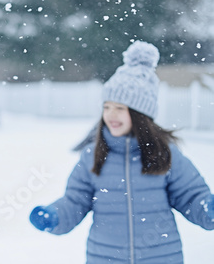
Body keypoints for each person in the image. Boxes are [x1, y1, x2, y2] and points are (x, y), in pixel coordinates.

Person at [29, 41, 214, 263]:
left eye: (120, 108)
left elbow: (191, 196)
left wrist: (208, 208)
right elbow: (76, 200)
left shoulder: (165, 154)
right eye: (107, 107)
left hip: (160, 257)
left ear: (140, 114)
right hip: (105, 257)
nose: (111, 115)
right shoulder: (93, 155)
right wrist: (55, 215)